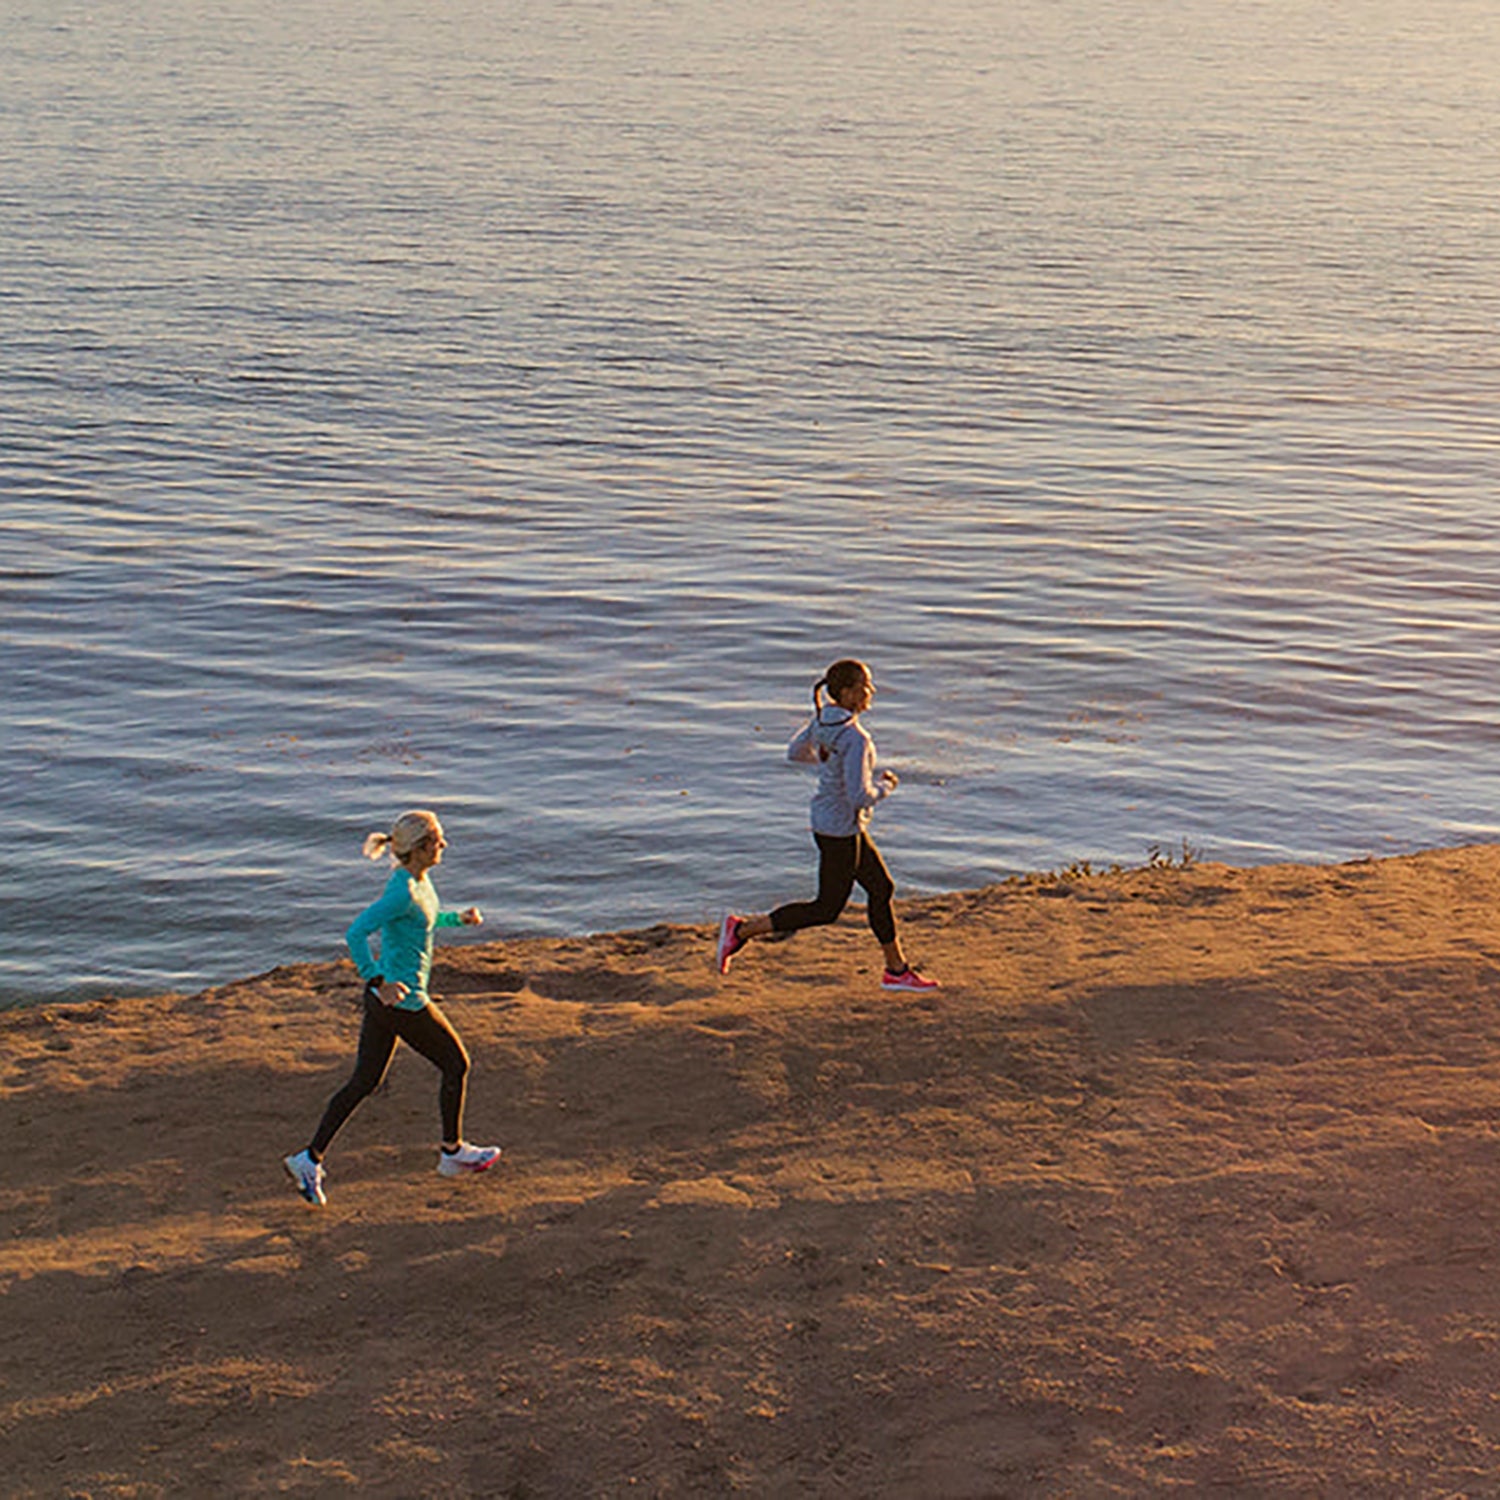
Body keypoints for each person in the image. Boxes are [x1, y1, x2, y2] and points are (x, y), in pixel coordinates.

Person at [283, 809, 502, 1206]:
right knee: (456, 1065)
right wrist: (376, 980)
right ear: (419, 848)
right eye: (437, 840)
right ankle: (452, 1153)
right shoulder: (400, 891)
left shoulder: (420, 881)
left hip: (387, 1002)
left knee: (364, 1081)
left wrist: (459, 919)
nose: (444, 845)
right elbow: (355, 933)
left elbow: (425, 920)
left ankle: (308, 1159)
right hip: (402, 1001)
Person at [716, 658, 939, 992]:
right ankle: (741, 930)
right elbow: (860, 796)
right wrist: (887, 785)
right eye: (865, 686)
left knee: (881, 888)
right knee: (826, 908)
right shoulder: (855, 738)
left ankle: (896, 970)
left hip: (833, 823)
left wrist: (826, 760)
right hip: (840, 830)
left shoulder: (823, 720)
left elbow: (795, 752)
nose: (871, 692)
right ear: (848, 693)